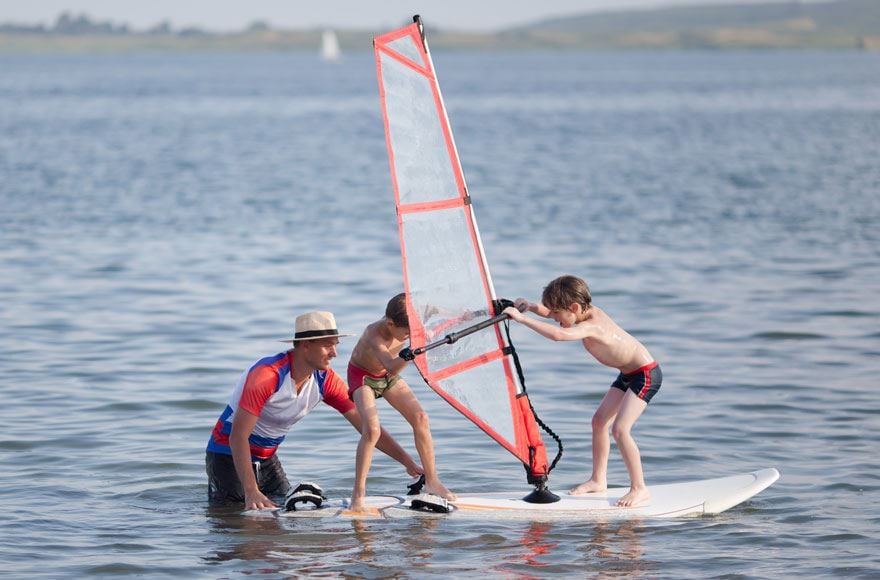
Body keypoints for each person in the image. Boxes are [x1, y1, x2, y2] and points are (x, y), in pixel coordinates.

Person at [206, 311, 423, 510]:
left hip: (267, 459)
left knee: (281, 515)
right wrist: (251, 491)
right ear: (305, 345)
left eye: (336, 345)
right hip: (227, 456)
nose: (334, 354)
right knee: (235, 520)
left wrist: (408, 463)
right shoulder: (267, 376)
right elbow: (238, 437)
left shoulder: (325, 381)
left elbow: (368, 427)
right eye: (328, 346)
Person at [503, 275, 662, 507]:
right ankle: (598, 480)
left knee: (620, 429)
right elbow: (550, 314)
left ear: (574, 308)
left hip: (645, 375)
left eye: (557, 313)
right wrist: (529, 307)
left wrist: (522, 320)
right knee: (599, 422)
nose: (554, 318)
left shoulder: (593, 326)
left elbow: (559, 335)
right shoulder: (579, 312)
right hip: (628, 374)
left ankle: (640, 488)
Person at [347, 293, 456, 513]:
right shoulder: (374, 334)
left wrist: (465, 315)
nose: (408, 335)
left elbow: (437, 309)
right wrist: (411, 352)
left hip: (387, 376)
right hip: (364, 377)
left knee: (421, 418)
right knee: (372, 431)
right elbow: (391, 366)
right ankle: (358, 494)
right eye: (406, 332)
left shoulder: (409, 315)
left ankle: (432, 481)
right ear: (390, 324)